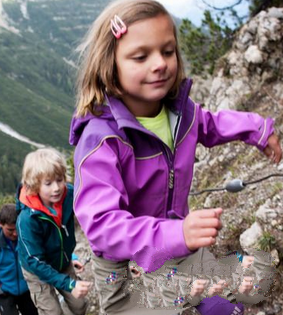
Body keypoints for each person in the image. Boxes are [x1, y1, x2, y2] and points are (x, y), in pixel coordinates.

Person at [69, 0, 282, 314]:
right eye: (140, 56)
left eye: (167, 51)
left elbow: (211, 124)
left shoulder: (180, 112)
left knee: (220, 306)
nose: (159, 64)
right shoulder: (100, 138)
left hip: (174, 235)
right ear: (110, 69)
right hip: (120, 260)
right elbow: (102, 225)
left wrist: (257, 129)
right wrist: (176, 234)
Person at [16, 148, 92, 315]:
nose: (57, 188)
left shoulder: (69, 194)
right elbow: (34, 261)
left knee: (79, 306)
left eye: (60, 180)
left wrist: (70, 257)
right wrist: (69, 284)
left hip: (61, 261)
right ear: (34, 184)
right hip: (36, 270)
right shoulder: (27, 219)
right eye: (48, 183)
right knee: (52, 312)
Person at [0, 203, 38, 315]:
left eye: (17, 228)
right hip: (5, 292)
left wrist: (72, 258)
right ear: (1, 224)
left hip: (27, 289)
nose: (15, 233)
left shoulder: (27, 236)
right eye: (10, 230)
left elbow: (49, 249)